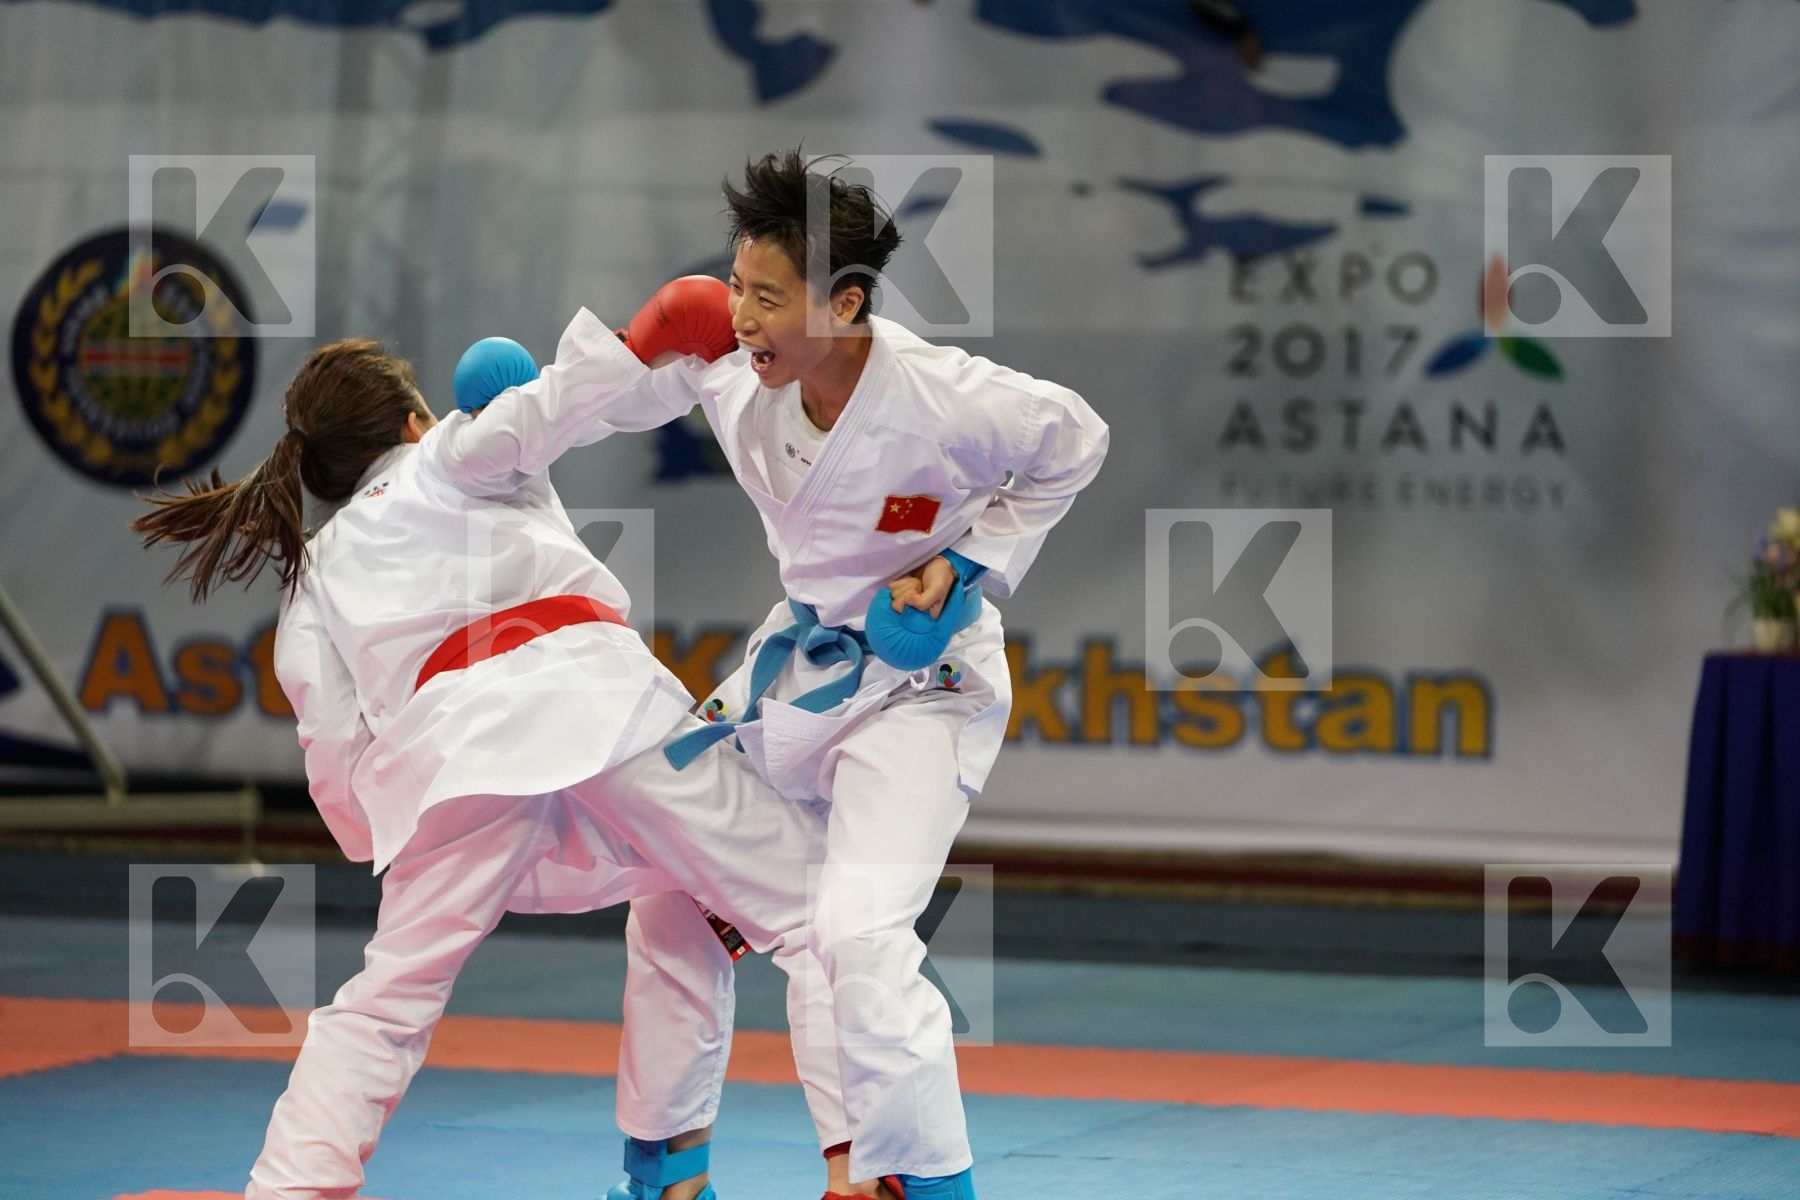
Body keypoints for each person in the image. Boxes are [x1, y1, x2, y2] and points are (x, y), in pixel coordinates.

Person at [129, 313, 832, 1200]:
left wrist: (391, 835)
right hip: (594, 707)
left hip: (449, 767)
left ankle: (288, 1190)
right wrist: (651, 326)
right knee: (810, 911)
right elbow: (564, 401)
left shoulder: (313, 576)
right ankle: (788, 1169)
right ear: (417, 421)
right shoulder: (457, 452)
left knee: (387, 1002)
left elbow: (333, 748)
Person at [603, 150, 1110, 1200]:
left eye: (768, 297)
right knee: (672, 896)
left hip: (923, 693)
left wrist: (969, 562)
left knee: (856, 934)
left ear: (844, 303)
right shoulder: (738, 375)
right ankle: (666, 1173)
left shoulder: (944, 395)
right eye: (736, 288)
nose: (742, 318)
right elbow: (607, 395)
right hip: (799, 669)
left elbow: (1078, 441)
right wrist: (591, 366)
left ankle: (914, 1184)